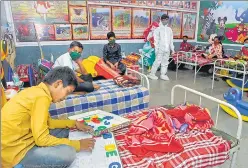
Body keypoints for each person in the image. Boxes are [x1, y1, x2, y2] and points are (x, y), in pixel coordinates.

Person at [1, 67, 96, 168]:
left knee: (64, 131)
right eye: (67, 92)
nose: (65, 98)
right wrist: (78, 144)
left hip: (26, 139)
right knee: (69, 153)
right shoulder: (42, 97)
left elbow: (48, 123)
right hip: (15, 153)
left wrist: (74, 123)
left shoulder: (37, 91)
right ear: (58, 84)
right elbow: (41, 139)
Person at [147, 14, 175, 81]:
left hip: (167, 49)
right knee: (157, 62)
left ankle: (163, 74)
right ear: (161, 20)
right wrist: (157, 49)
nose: (166, 21)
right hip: (160, 49)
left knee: (165, 62)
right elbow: (156, 41)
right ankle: (152, 74)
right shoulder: (158, 29)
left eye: (167, 19)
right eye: (164, 19)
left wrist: (172, 49)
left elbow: (171, 41)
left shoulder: (169, 30)